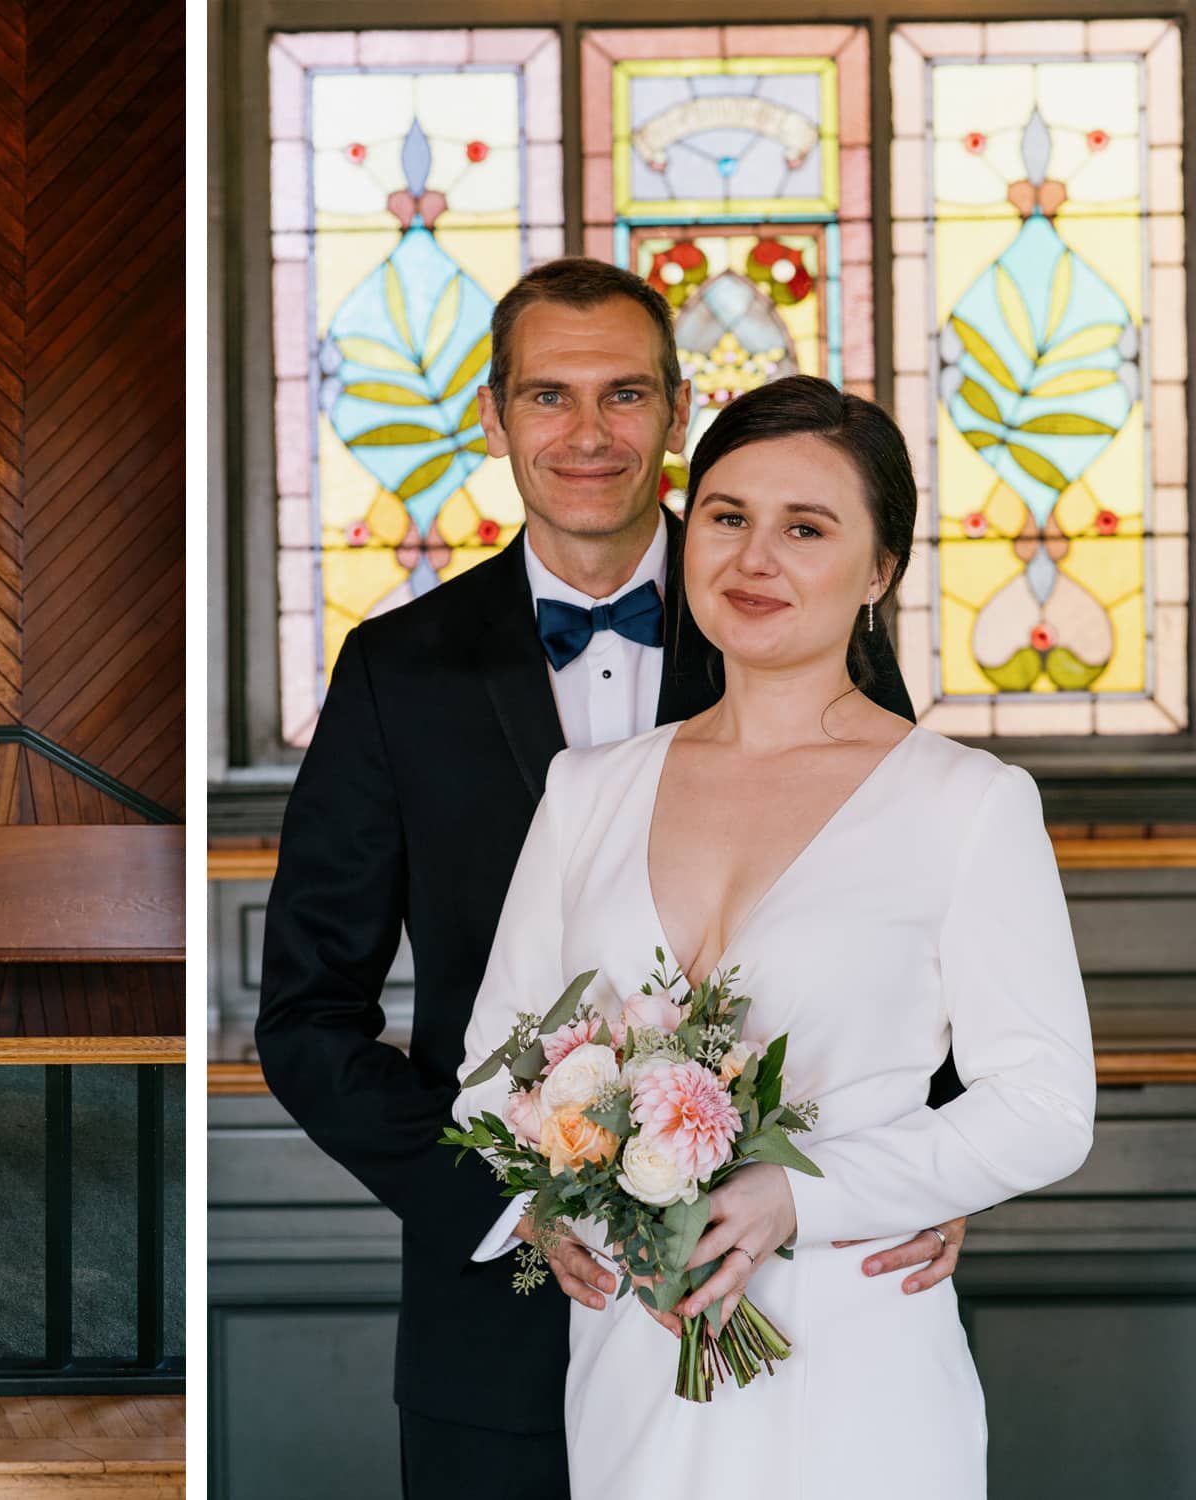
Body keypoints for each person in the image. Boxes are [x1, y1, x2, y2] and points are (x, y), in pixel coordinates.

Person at [256, 259, 965, 1497]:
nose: (587, 434)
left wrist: (932, 1164)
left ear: (678, 412)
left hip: (789, 1286)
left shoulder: (803, 613)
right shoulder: (394, 670)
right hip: (500, 1315)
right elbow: (307, 1012)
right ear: (491, 417)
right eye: (547, 397)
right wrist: (509, 1200)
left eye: (625, 395)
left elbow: (912, 908)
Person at [456, 374, 1096, 1493]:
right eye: (725, 516)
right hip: (632, 1351)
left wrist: (804, 1191)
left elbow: (1043, 1108)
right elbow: (486, 1077)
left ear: (878, 569)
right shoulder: (585, 792)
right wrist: (549, 1201)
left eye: (803, 528)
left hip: (851, 1343)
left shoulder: (964, 801)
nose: (754, 558)